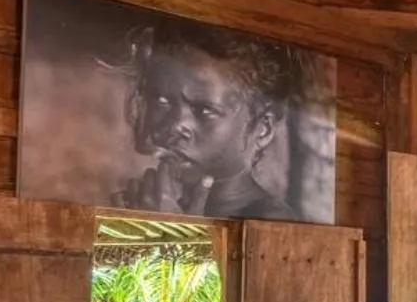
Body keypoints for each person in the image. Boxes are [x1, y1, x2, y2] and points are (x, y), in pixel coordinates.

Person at [114, 21, 297, 220]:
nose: (174, 126)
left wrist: (167, 230)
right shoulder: (150, 203)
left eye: (204, 110)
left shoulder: (272, 221)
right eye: (161, 100)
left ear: (263, 129)